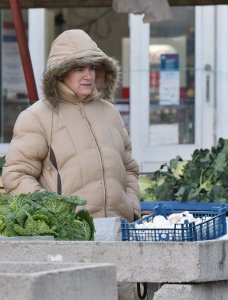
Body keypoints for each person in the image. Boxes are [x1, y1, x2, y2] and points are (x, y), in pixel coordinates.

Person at [2, 29, 141, 223]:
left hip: (119, 231)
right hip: (69, 238)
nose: (88, 75)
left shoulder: (110, 113)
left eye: (92, 68)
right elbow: (16, 176)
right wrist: (56, 216)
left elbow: (130, 170)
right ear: (60, 73)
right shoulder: (37, 117)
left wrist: (132, 208)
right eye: (79, 69)